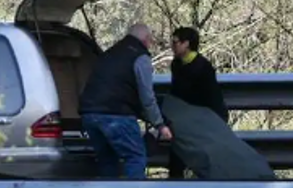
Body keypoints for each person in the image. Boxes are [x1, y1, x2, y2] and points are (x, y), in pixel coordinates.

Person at [78, 23, 173, 179]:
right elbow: (147, 98)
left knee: (107, 161)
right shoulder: (140, 57)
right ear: (146, 39)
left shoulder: (110, 53)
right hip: (116, 115)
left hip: (89, 114)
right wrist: (160, 125)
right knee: (135, 157)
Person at [169, 26, 228, 123]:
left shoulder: (203, 67)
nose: (172, 46)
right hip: (188, 115)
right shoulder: (176, 64)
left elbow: (212, 97)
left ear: (186, 44)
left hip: (206, 117)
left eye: (175, 43)